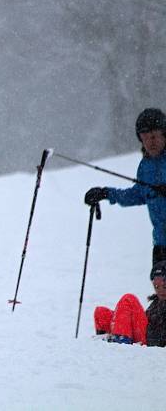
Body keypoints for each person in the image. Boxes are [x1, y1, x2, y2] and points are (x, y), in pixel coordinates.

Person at [84, 108, 166, 266]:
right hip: (161, 244)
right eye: (145, 138)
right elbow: (138, 194)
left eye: (154, 136)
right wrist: (106, 193)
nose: (151, 142)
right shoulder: (145, 167)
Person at [93, 260, 166, 346]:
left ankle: (121, 343)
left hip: (150, 341)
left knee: (129, 300)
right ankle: (103, 346)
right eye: (157, 287)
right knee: (101, 312)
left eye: (164, 286)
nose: (160, 290)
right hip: (142, 333)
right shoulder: (157, 302)